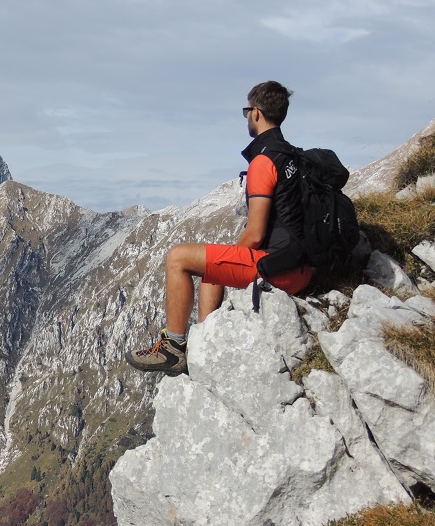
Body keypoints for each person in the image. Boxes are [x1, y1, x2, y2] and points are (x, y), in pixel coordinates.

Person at [126, 80, 312, 375]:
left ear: (256, 113)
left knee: (178, 257)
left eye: (246, 111)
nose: (247, 117)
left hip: (278, 268)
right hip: (301, 265)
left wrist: (229, 257)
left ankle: (173, 348)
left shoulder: (264, 162)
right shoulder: (291, 156)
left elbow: (255, 233)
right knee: (212, 267)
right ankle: (204, 346)